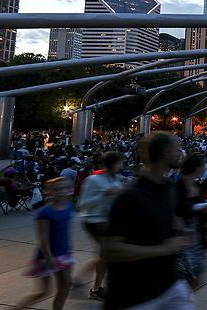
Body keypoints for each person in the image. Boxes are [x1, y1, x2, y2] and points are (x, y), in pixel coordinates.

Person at [102, 132, 194, 309]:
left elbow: (168, 223)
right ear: (166, 153)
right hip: (134, 294)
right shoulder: (130, 197)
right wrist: (162, 249)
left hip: (170, 284)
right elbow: (111, 250)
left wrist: (181, 231)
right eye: (177, 149)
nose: (180, 153)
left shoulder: (169, 188)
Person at [16, 177, 75, 310]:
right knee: (44, 292)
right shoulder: (44, 212)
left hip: (65, 253)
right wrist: (49, 258)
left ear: (70, 190)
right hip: (47, 256)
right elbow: (43, 238)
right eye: (57, 189)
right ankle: (17, 307)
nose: (61, 191)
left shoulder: (69, 206)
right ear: (49, 192)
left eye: (65, 188)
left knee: (66, 284)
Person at [76, 151, 124, 301]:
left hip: (108, 220)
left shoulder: (116, 180)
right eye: (119, 162)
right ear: (112, 163)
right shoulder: (94, 180)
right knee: (107, 253)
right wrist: (105, 194)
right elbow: (81, 204)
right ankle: (82, 281)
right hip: (93, 220)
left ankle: (96, 287)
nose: (122, 165)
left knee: (106, 255)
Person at [176, 154, 207, 288]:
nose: (205, 168)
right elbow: (176, 211)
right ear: (195, 167)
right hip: (184, 237)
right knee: (187, 277)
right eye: (202, 165)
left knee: (198, 275)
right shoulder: (178, 186)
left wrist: (206, 208)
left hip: (197, 234)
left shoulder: (196, 185)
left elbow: (201, 208)